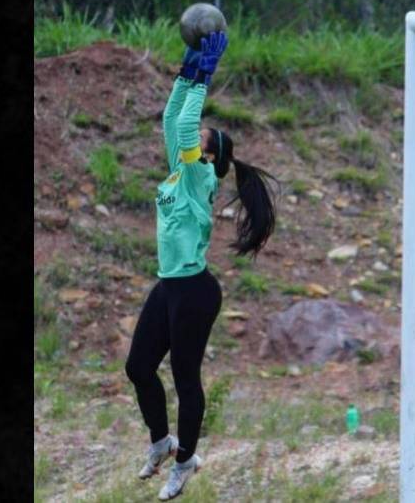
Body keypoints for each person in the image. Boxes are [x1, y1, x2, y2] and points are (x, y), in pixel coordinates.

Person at [124, 31, 277, 500]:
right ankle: (160, 442)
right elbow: (174, 117)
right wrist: (185, 72)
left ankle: (185, 458)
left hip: (194, 290)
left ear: (210, 154)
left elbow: (187, 125)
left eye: (205, 135)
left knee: (185, 377)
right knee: (138, 367)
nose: (197, 132)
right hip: (170, 286)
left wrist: (204, 76)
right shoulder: (180, 167)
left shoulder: (198, 173)